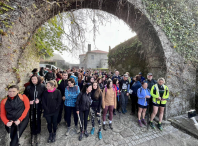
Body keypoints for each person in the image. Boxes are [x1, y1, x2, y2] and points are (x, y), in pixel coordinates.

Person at [24, 75, 46, 144]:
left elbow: (45, 95)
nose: (33, 80)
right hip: (31, 106)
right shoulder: (28, 87)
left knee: (38, 119)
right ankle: (33, 133)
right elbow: (24, 96)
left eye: (35, 79)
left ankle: (38, 132)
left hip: (38, 106)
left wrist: (39, 100)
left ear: (38, 79)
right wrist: (28, 101)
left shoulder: (42, 86)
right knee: (32, 119)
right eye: (32, 79)